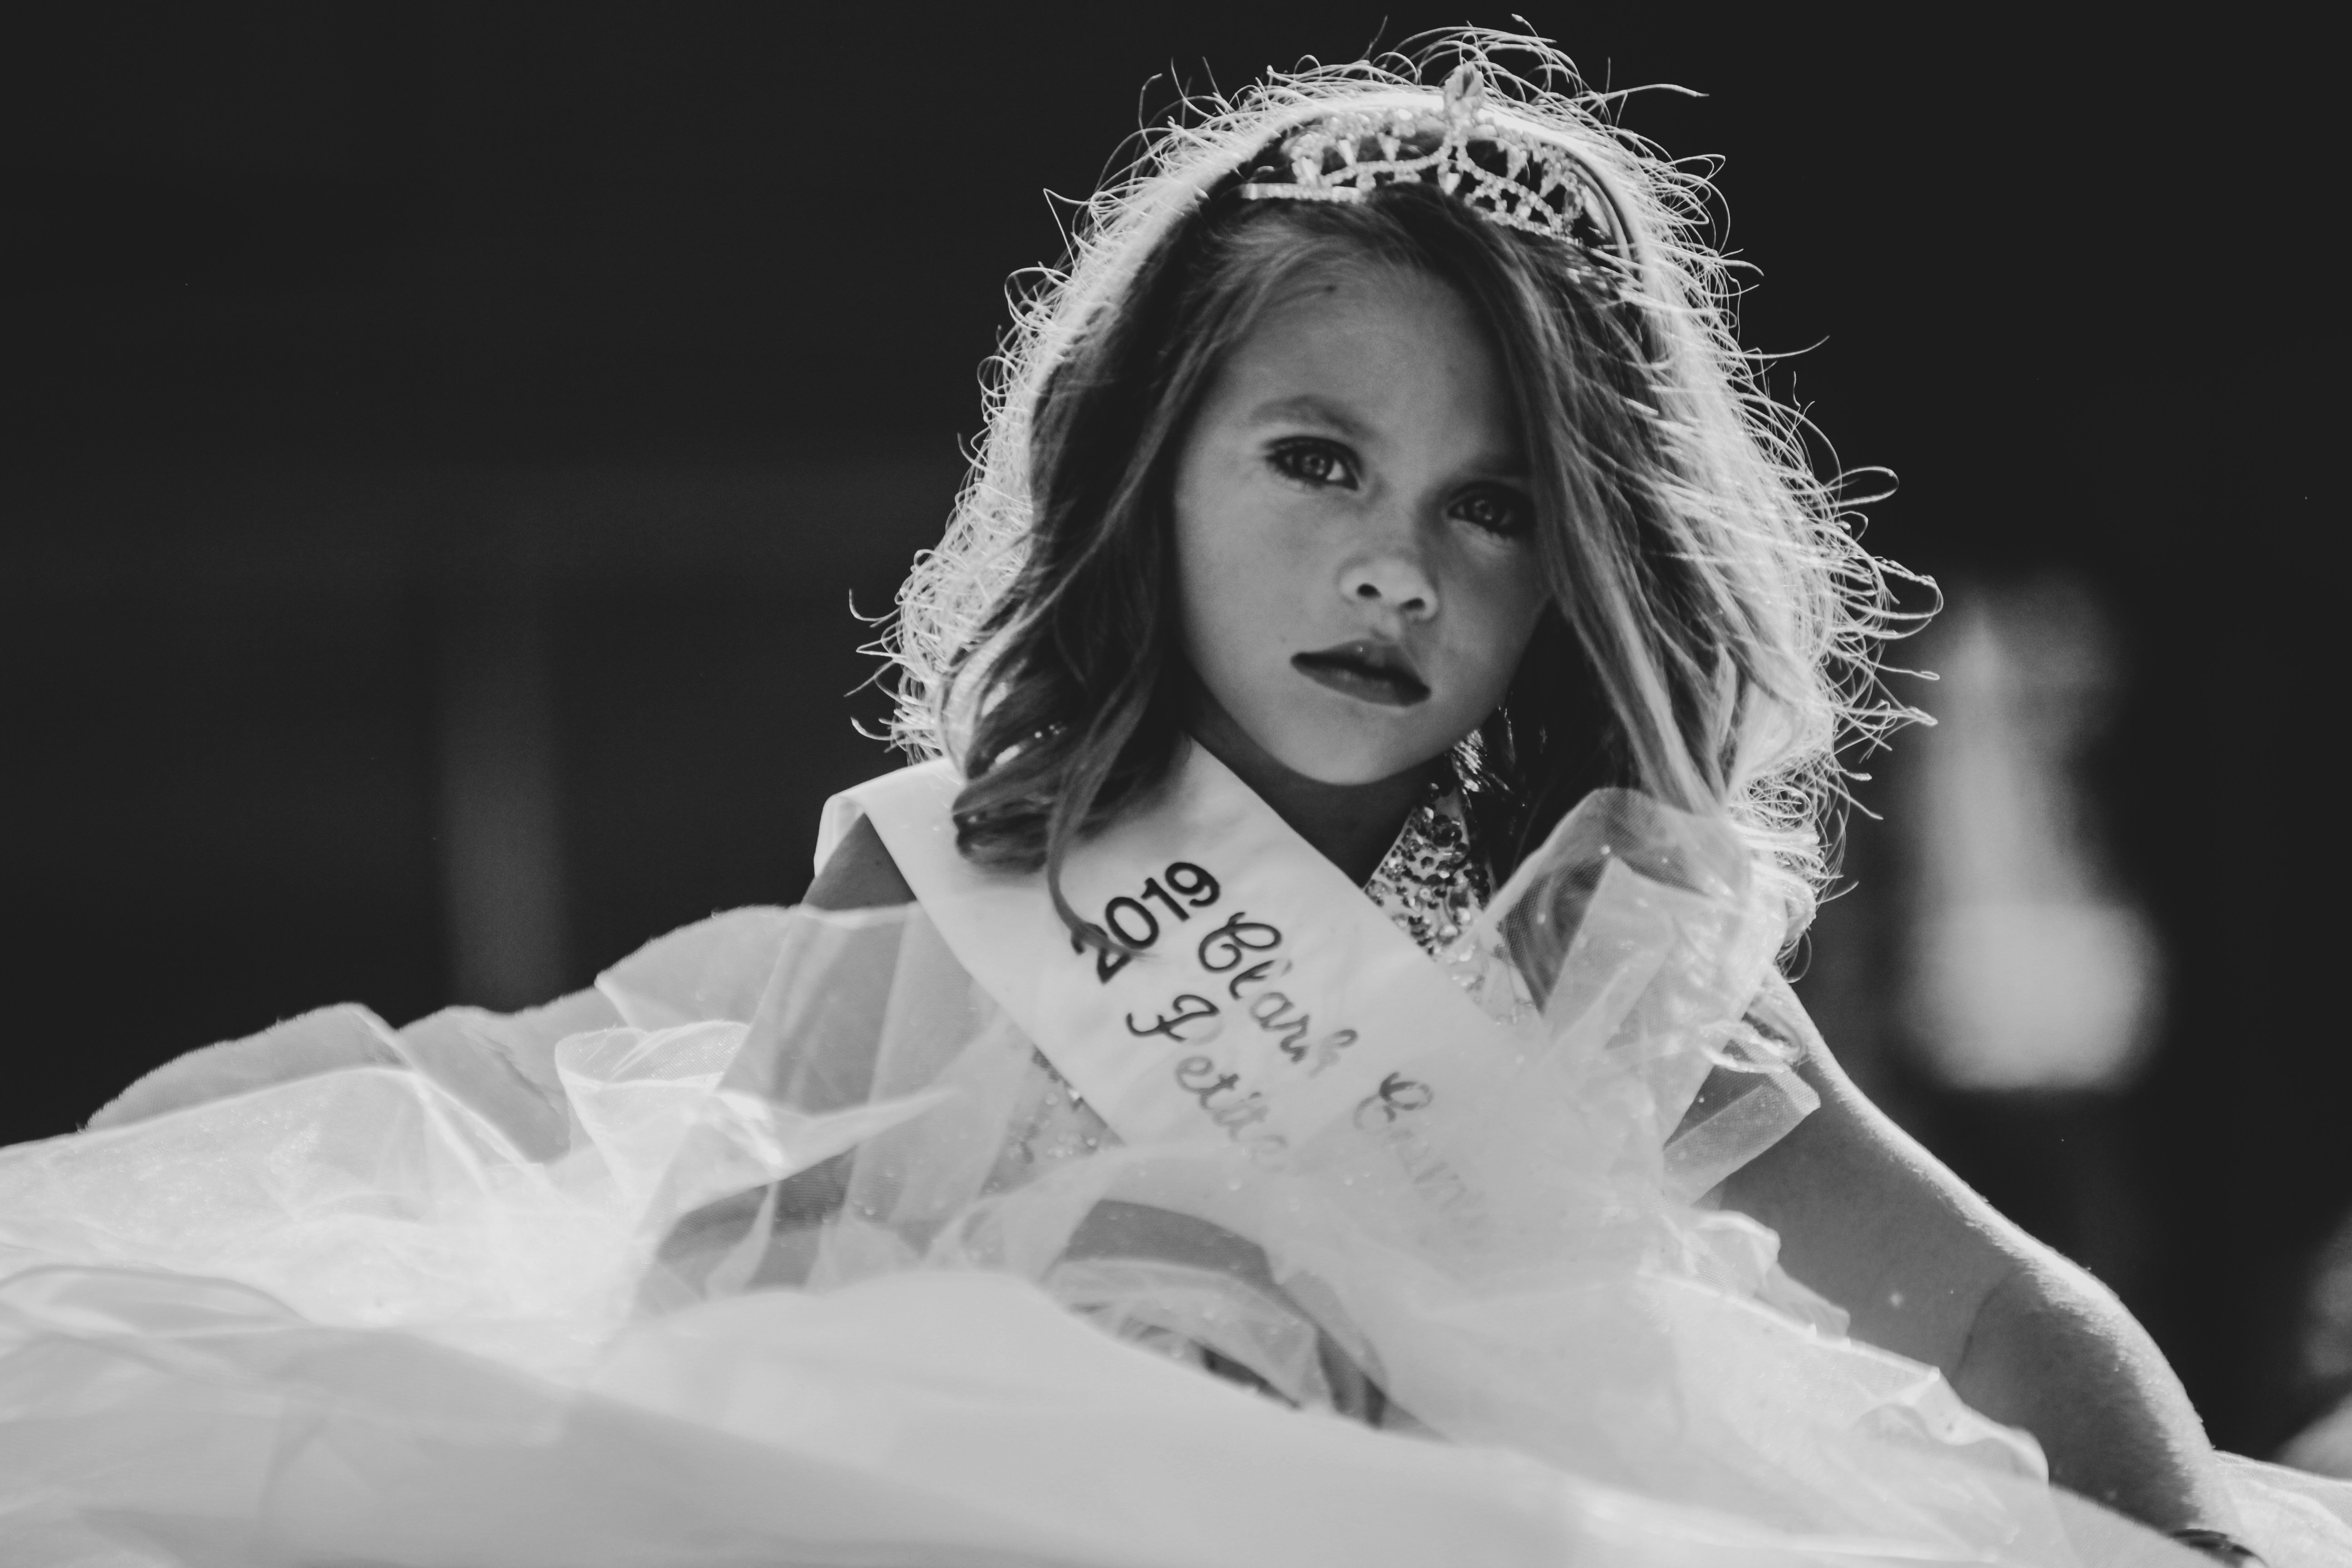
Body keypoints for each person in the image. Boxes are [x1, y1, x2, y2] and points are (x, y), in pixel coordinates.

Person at [4, 34, 2341, 1568]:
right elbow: (732, 1337)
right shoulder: (944, 870)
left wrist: (2195, 1543)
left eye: (1491, 509)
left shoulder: (1607, 969)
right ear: (1151, 475)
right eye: (1316, 461)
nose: (1390, 564)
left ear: (1579, 570)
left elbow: (2009, 1327)